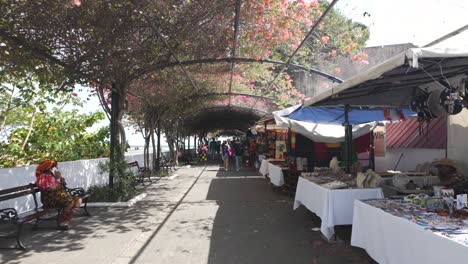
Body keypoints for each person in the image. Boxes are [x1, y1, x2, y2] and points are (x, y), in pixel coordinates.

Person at [35, 160, 81, 230]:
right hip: (50, 199)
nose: (57, 168)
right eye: (55, 167)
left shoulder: (51, 175)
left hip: (58, 197)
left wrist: (60, 178)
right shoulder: (43, 177)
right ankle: (63, 221)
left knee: (78, 200)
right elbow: (51, 189)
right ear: (50, 168)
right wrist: (58, 179)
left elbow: (60, 185)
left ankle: (66, 219)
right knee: (70, 202)